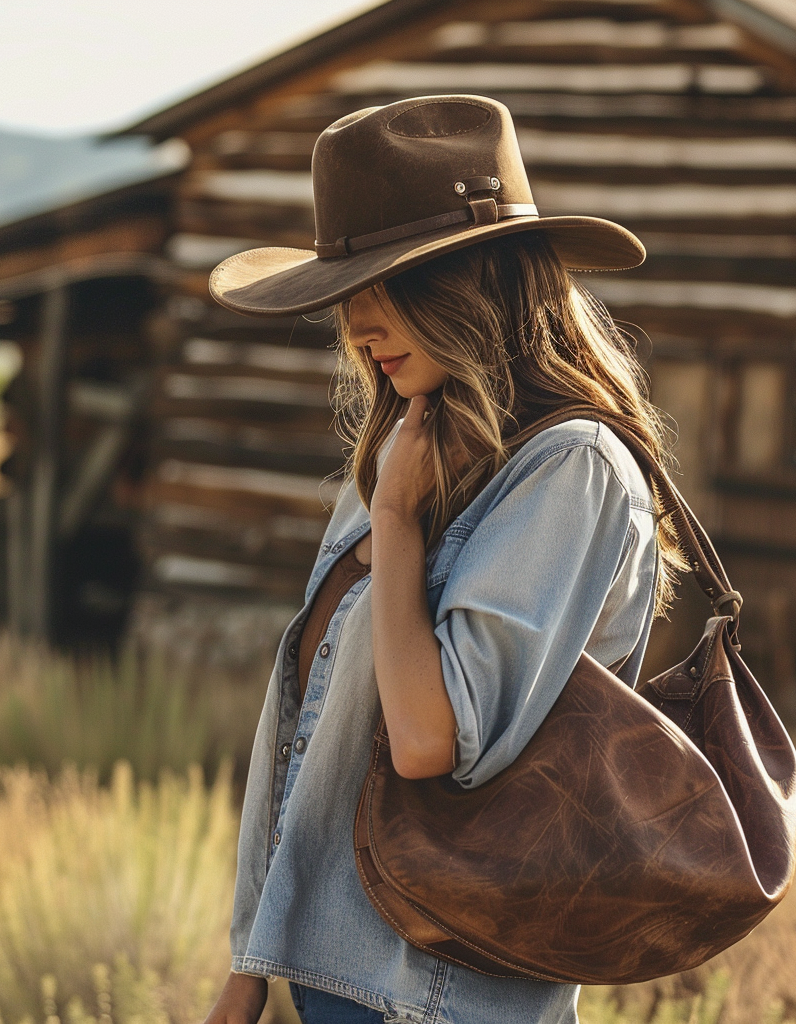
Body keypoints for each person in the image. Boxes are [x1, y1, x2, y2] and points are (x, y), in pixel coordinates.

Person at [202, 95, 685, 1024]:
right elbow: (307, 720)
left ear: (470, 285)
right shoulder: (406, 449)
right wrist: (247, 961)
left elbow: (430, 739)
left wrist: (394, 523)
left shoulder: (569, 470)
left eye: (382, 289)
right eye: (345, 298)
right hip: (334, 973)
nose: (355, 331)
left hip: (445, 991)